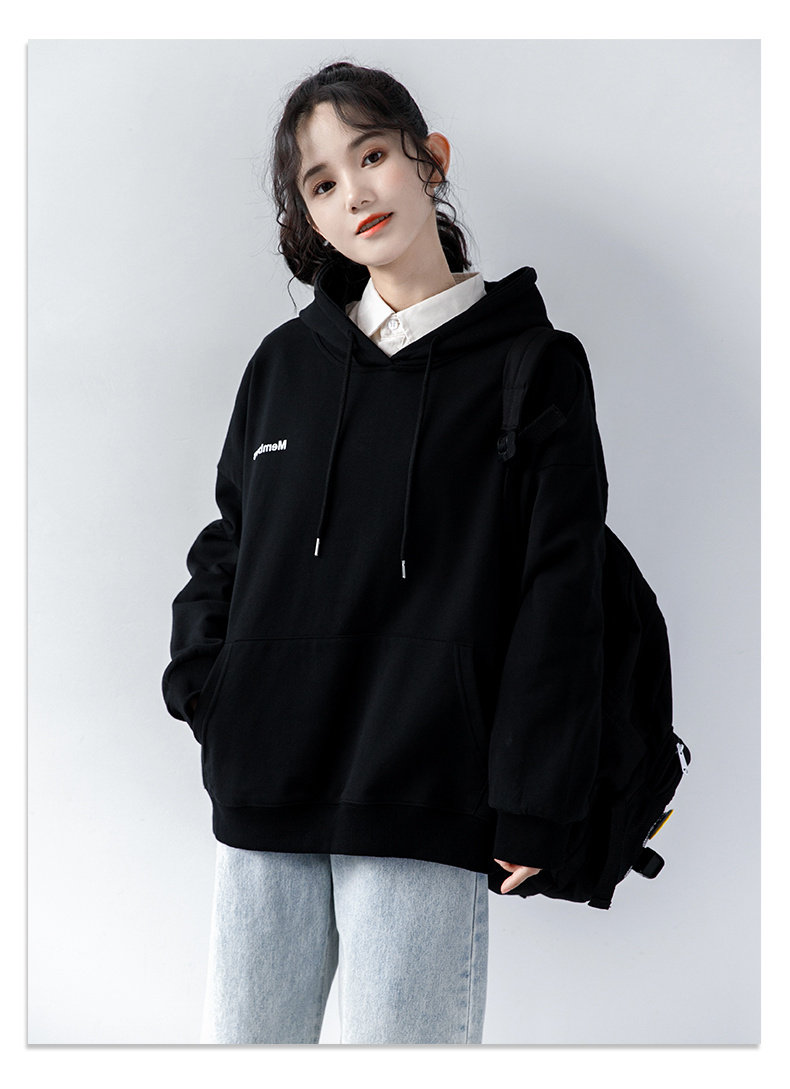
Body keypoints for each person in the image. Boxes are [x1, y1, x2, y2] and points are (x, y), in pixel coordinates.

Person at [162, 60, 608, 1046]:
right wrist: (207, 688)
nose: (355, 193)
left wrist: (533, 797)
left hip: (424, 799)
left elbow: (559, 592)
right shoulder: (284, 366)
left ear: (429, 160)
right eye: (322, 182)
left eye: (371, 157)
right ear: (310, 217)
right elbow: (230, 539)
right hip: (265, 796)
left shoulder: (532, 368)